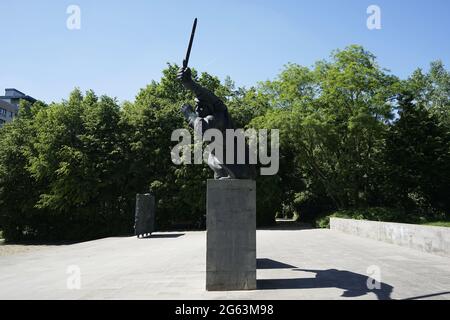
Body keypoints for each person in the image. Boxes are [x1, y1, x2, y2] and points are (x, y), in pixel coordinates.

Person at [177, 66, 255, 180]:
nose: (198, 110)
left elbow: (203, 128)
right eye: (196, 107)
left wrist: (190, 115)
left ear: (209, 107)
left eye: (201, 107)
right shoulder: (218, 111)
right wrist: (189, 83)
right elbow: (205, 94)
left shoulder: (219, 117)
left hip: (240, 168)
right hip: (226, 163)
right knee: (211, 157)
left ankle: (233, 174)